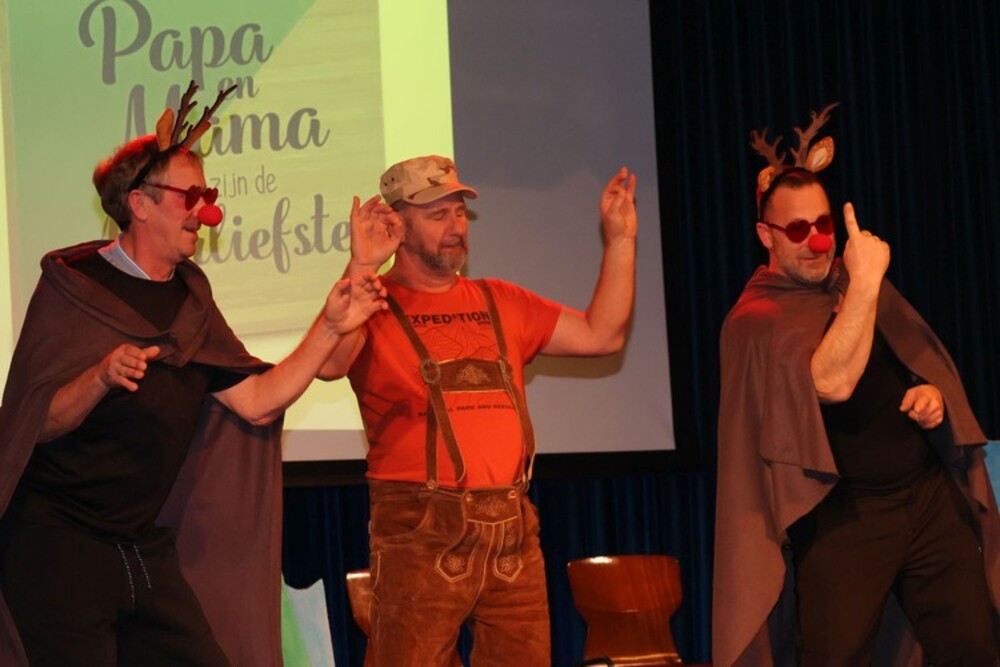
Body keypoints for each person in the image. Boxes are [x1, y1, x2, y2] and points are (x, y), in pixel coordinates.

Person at [0, 83, 387, 666]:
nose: (206, 210)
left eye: (208, 194)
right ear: (140, 204)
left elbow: (259, 399)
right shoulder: (74, 285)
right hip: (57, 541)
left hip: (137, 542)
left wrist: (332, 325)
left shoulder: (191, 300)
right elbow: (35, 421)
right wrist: (100, 378)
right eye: (191, 195)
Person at [318, 155, 637, 665]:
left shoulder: (500, 299)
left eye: (459, 212)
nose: (456, 226)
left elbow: (603, 335)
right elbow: (329, 364)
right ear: (397, 225)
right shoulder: (369, 304)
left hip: (511, 528)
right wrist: (361, 267)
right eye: (437, 215)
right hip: (419, 529)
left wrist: (621, 240)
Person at [714, 108, 1000, 667]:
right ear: (765, 236)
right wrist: (865, 282)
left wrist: (932, 398)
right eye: (798, 230)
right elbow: (832, 382)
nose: (818, 243)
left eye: (824, 225)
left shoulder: (855, 286)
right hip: (843, 516)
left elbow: (914, 363)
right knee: (835, 657)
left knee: (973, 645)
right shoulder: (757, 318)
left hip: (925, 498)